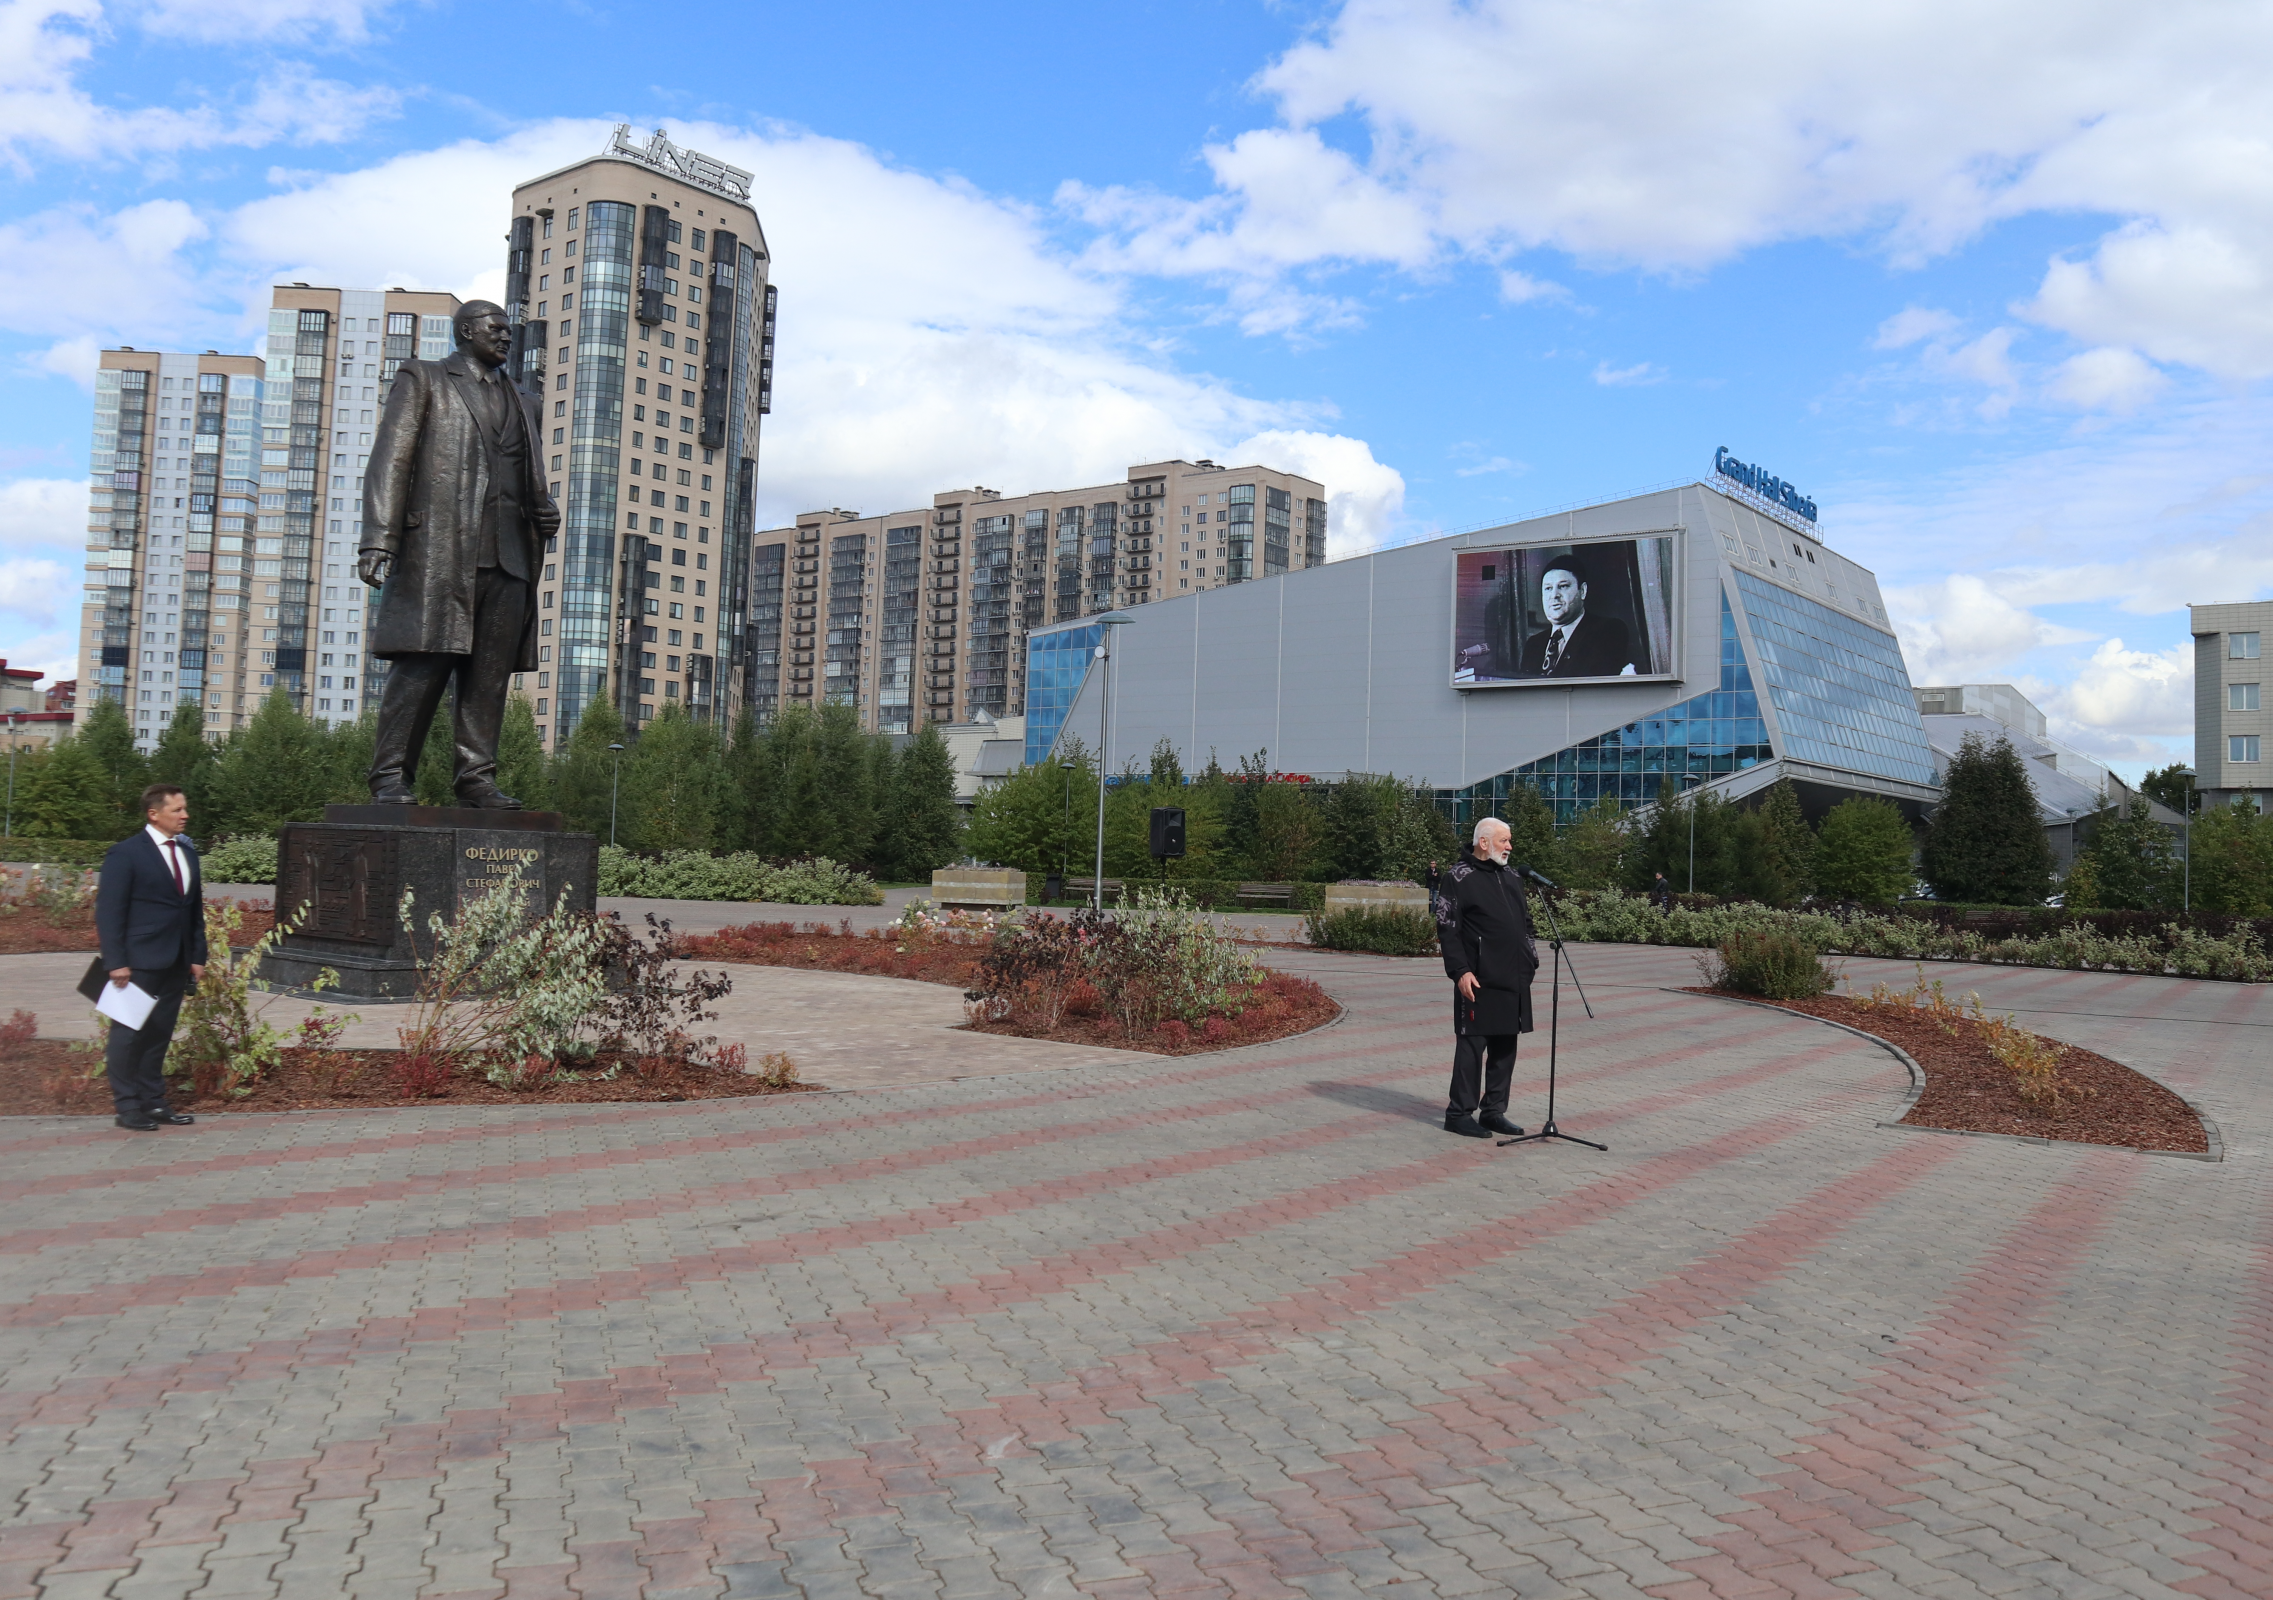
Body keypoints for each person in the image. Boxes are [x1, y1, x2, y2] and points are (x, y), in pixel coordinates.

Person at [360, 300, 561, 807]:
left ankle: (476, 778)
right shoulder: (425, 379)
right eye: (496, 328)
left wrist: (544, 511)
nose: (506, 336)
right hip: (441, 550)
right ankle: (390, 776)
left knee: (488, 678)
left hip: (510, 555)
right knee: (422, 668)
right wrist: (379, 537)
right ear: (466, 331)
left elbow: (523, 474)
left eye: (508, 330)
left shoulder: (525, 401)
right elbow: (391, 460)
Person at [94, 783, 207, 1131]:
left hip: (176, 960)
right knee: (128, 1035)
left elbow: (193, 910)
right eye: (177, 810)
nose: (185, 815)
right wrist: (116, 962)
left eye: (185, 808)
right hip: (137, 962)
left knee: (159, 1034)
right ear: (154, 814)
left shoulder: (187, 853)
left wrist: (197, 956)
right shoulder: (125, 853)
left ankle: (154, 1103)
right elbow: (109, 912)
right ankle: (127, 1107)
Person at [1432, 816, 1533, 1139]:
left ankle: (1493, 1111)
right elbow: (1447, 927)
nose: (1509, 846)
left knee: (1505, 1046)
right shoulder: (1458, 877)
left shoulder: (1512, 876)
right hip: (1478, 978)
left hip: (1513, 976)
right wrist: (1460, 971)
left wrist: (1530, 958)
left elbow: (1526, 922)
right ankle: (1459, 1113)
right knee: (1472, 1046)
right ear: (1484, 842)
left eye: (1509, 840)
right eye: (1504, 840)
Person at [1517, 556, 1634, 678]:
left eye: (1563, 586)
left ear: (1582, 591)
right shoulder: (1533, 644)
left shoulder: (1608, 630)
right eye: (1548, 588)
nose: (1554, 595)